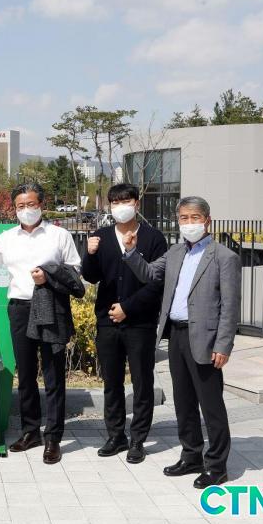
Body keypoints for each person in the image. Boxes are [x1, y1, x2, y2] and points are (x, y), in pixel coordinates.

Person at [122, 196, 241, 488]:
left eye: (194, 218)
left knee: (211, 405)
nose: (189, 223)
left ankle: (217, 466)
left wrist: (223, 345)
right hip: (175, 335)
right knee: (184, 401)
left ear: (207, 221)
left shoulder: (224, 257)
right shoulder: (175, 252)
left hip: (205, 340)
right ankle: (191, 456)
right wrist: (132, 251)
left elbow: (230, 306)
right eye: (184, 218)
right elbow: (149, 274)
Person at [0, 183, 82, 464]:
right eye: (21, 206)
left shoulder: (59, 235)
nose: (26, 210)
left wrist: (48, 276)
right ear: (14, 208)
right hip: (20, 308)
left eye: (31, 204)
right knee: (25, 373)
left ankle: (54, 437)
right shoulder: (6, 238)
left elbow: (75, 269)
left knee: (53, 373)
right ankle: (31, 431)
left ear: (41, 204)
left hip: (51, 306)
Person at [83, 183, 167, 464]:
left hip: (140, 322)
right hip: (107, 321)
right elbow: (91, 277)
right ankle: (115, 435)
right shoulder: (101, 236)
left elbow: (156, 282)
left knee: (142, 381)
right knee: (112, 381)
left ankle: (138, 439)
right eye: (115, 202)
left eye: (125, 201)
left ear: (136, 204)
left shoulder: (154, 238)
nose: (120, 206)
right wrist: (89, 253)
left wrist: (127, 308)